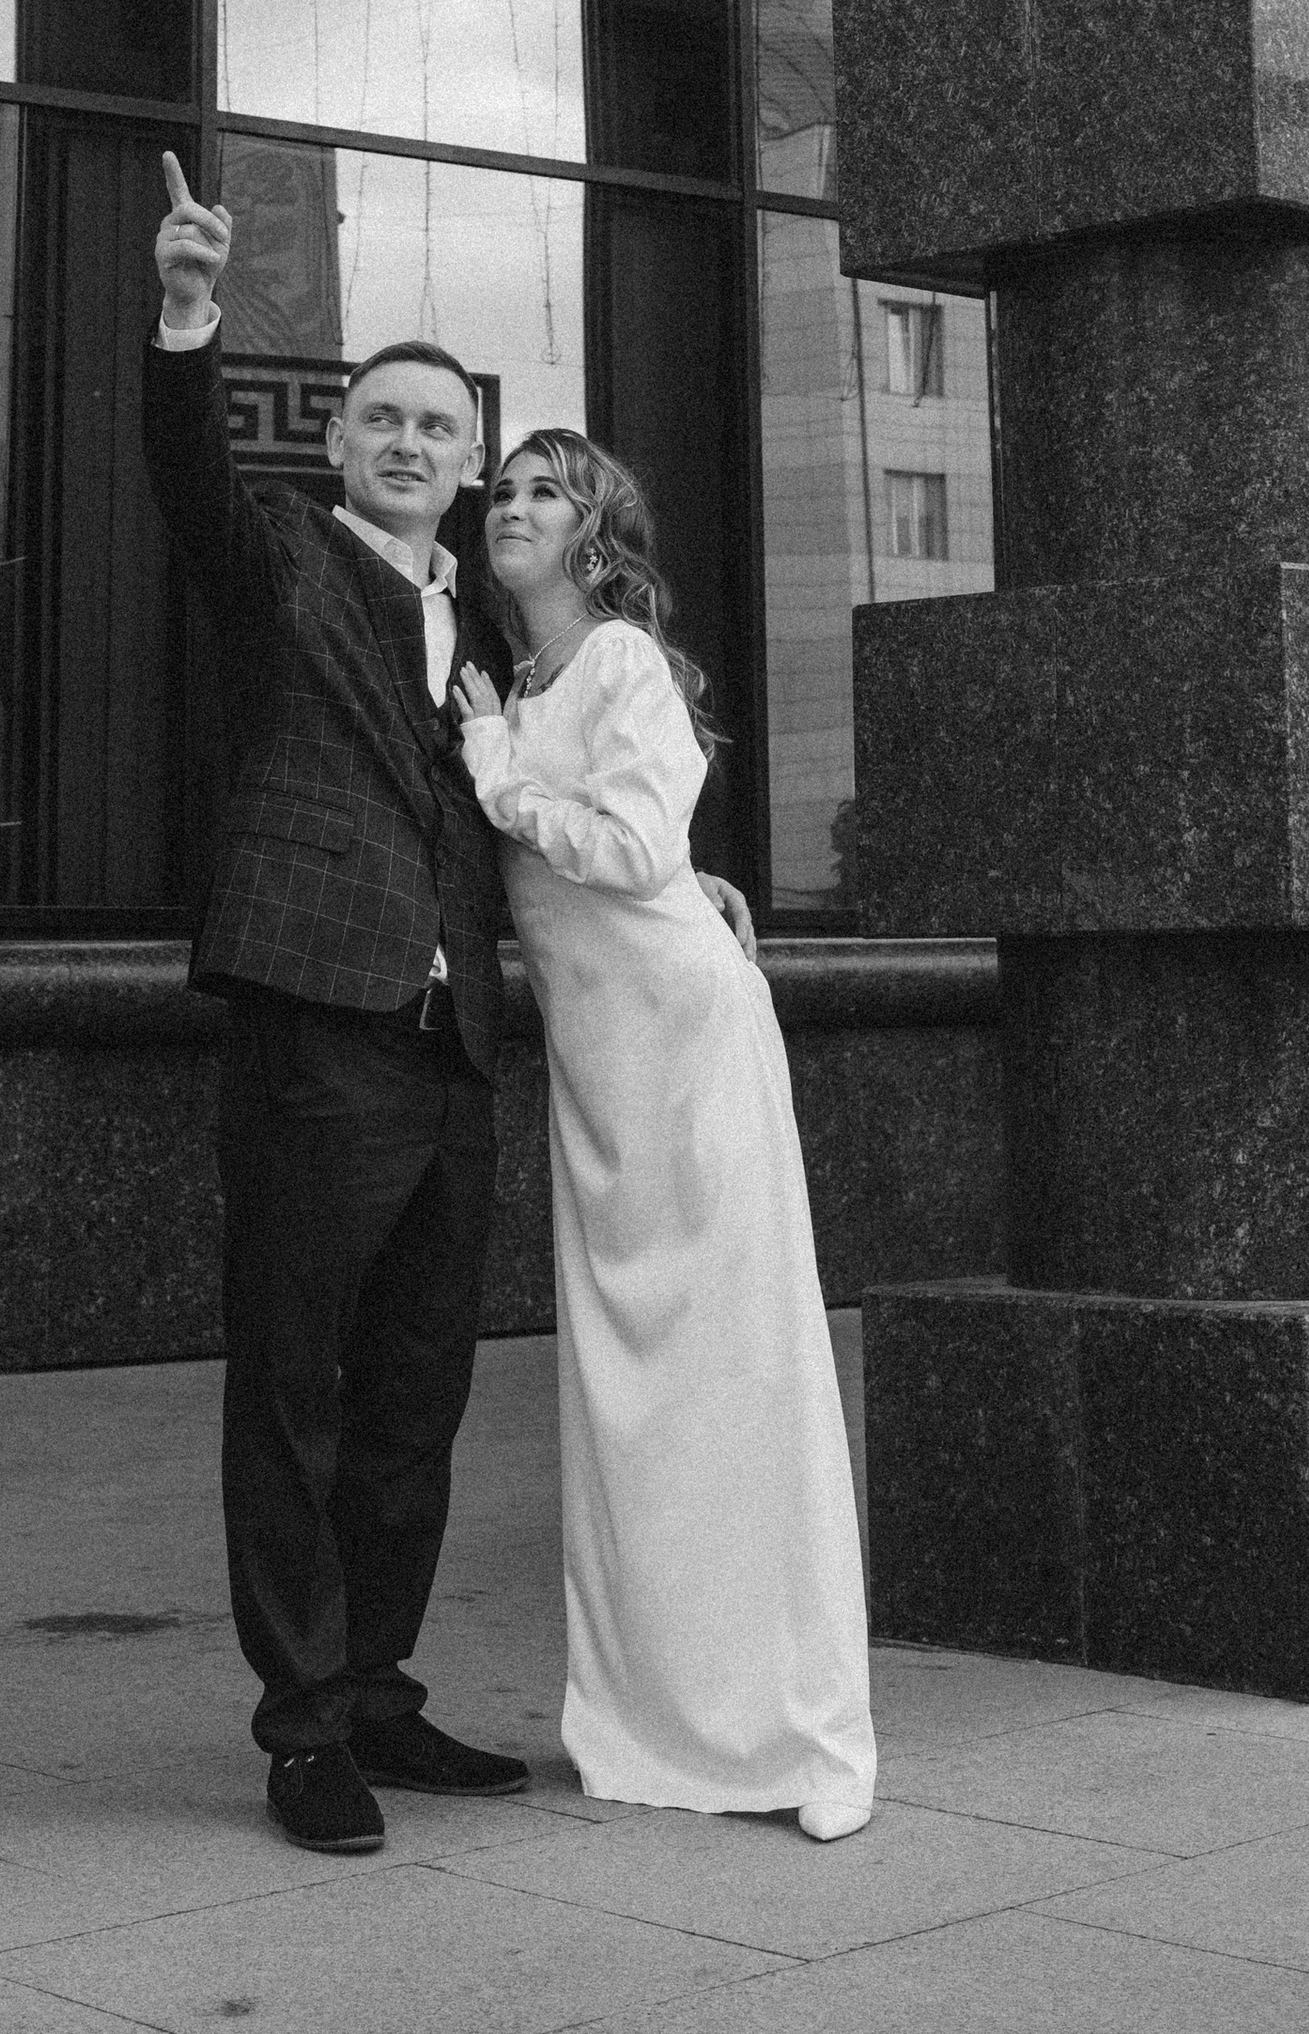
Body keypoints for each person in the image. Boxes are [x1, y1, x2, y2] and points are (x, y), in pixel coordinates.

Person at [143, 155, 755, 1858]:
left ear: (472, 462)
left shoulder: (492, 612)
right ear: (340, 447)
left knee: (419, 1384)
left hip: (455, 1042)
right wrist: (190, 312)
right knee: (295, 1380)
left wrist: (672, 877)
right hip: (315, 1015)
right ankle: (302, 1724)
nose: (411, 444)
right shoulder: (276, 554)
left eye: (439, 427)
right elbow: (184, 469)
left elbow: (546, 785)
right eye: (382, 421)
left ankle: (383, 1691)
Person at [457, 429, 876, 1842]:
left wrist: (492, 770)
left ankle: (799, 1742)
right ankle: (653, 1725)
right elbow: (640, 848)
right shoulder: (512, 680)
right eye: (501, 487)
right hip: (601, 1072)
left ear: (594, 534)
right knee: (632, 1409)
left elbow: (626, 849)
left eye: (543, 492)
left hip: (685, 1053)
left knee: (736, 1382)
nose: (510, 505)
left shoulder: (616, 663)